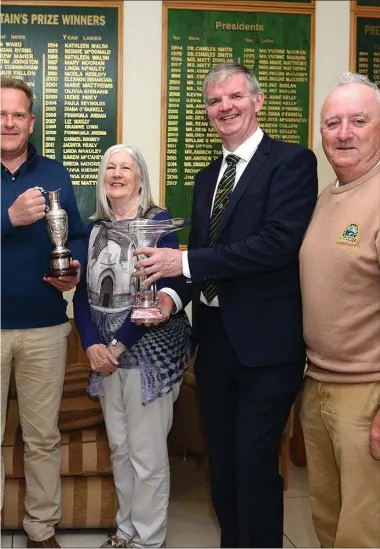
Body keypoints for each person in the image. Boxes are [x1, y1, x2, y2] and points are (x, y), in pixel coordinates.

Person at [133, 62, 318, 548]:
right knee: (224, 466)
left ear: (258, 101)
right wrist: (171, 301)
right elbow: (201, 259)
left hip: (266, 347)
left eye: (235, 96)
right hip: (214, 346)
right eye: (214, 102)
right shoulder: (206, 176)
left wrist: (184, 261)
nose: (225, 107)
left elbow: (276, 244)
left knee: (254, 466)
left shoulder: (292, 162)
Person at [73, 144, 191, 549]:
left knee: (147, 455)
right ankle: (125, 532)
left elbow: (163, 292)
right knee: (121, 451)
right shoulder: (94, 228)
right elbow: (82, 298)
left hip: (146, 358)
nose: (117, 174)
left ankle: (149, 539)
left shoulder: (158, 222)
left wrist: (117, 347)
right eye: (110, 167)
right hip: (104, 358)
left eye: (127, 167)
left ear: (141, 177)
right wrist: (91, 345)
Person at [1, 77, 86, 548]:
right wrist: (8, 218)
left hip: (46, 327)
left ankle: (41, 530)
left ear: (31, 123)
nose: (8, 122)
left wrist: (73, 267)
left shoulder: (55, 173)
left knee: (41, 437)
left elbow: (71, 237)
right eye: (1, 114)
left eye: (17, 115)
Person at [299, 72, 380, 548]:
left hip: (366, 393)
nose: (343, 133)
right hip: (320, 385)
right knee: (328, 517)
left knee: (362, 527)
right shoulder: (326, 198)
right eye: (333, 123)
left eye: (358, 121)